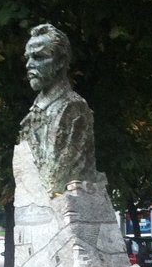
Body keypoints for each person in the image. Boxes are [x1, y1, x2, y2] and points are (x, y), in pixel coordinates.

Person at [19, 24, 98, 195]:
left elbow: (54, 179)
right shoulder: (35, 112)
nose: (29, 65)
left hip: (67, 201)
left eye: (38, 57)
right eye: (28, 58)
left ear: (61, 61)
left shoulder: (73, 108)